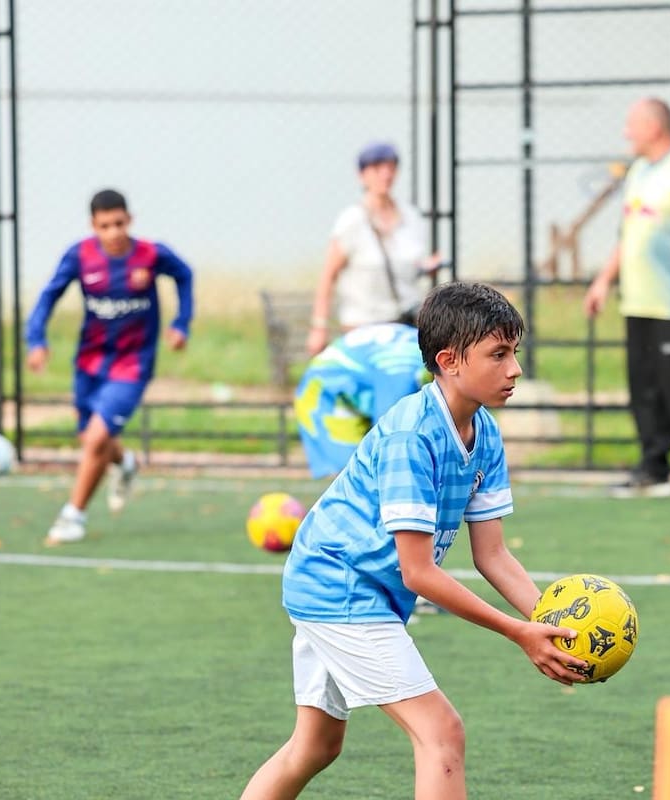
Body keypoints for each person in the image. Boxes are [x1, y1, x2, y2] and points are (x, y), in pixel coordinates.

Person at [241, 281, 587, 800]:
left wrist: (554, 624)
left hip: (354, 587)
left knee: (314, 747)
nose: (514, 369)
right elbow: (419, 572)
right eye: (498, 354)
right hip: (340, 587)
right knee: (441, 733)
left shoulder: (485, 432)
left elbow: (493, 554)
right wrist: (519, 632)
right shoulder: (412, 436)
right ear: (449, 361)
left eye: (514, 352)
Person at [25, 189, 193, 544]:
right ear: (93, 226)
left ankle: (73, 517)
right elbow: (48, 295)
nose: (114, 232)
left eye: (119, 223)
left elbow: (185, 275)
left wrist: (181, 323)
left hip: (132, 365)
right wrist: (36, 339)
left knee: (97, 438)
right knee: (91, 438)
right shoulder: (80, 255)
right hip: (89, 363)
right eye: (105, 226)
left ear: (129, 220)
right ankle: (126, 462)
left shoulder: (151, 254)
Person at [583, 97, 670, 500]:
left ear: (654, 126)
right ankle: (653, 467)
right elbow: (628, 233)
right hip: (637, 302)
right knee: (643, 388)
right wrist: (603, 280)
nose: (626, 132)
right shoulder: (640, 170)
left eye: (632, 124)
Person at [306, 141, 442, 357]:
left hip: (404, 325)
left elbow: (411, 263)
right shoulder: (351, 221)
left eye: (390, 167)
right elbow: (328, 276)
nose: (385, 175)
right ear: (362, 175)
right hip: (363, 328)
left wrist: (425, 267)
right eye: (377, 168)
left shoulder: (411, 217)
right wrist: (319, 326)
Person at [294, 321, 425, 479]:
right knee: (358, 477)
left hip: (352, 380)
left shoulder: (419, 355)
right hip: (325, 392)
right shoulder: (403, 370)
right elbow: (392, 435)